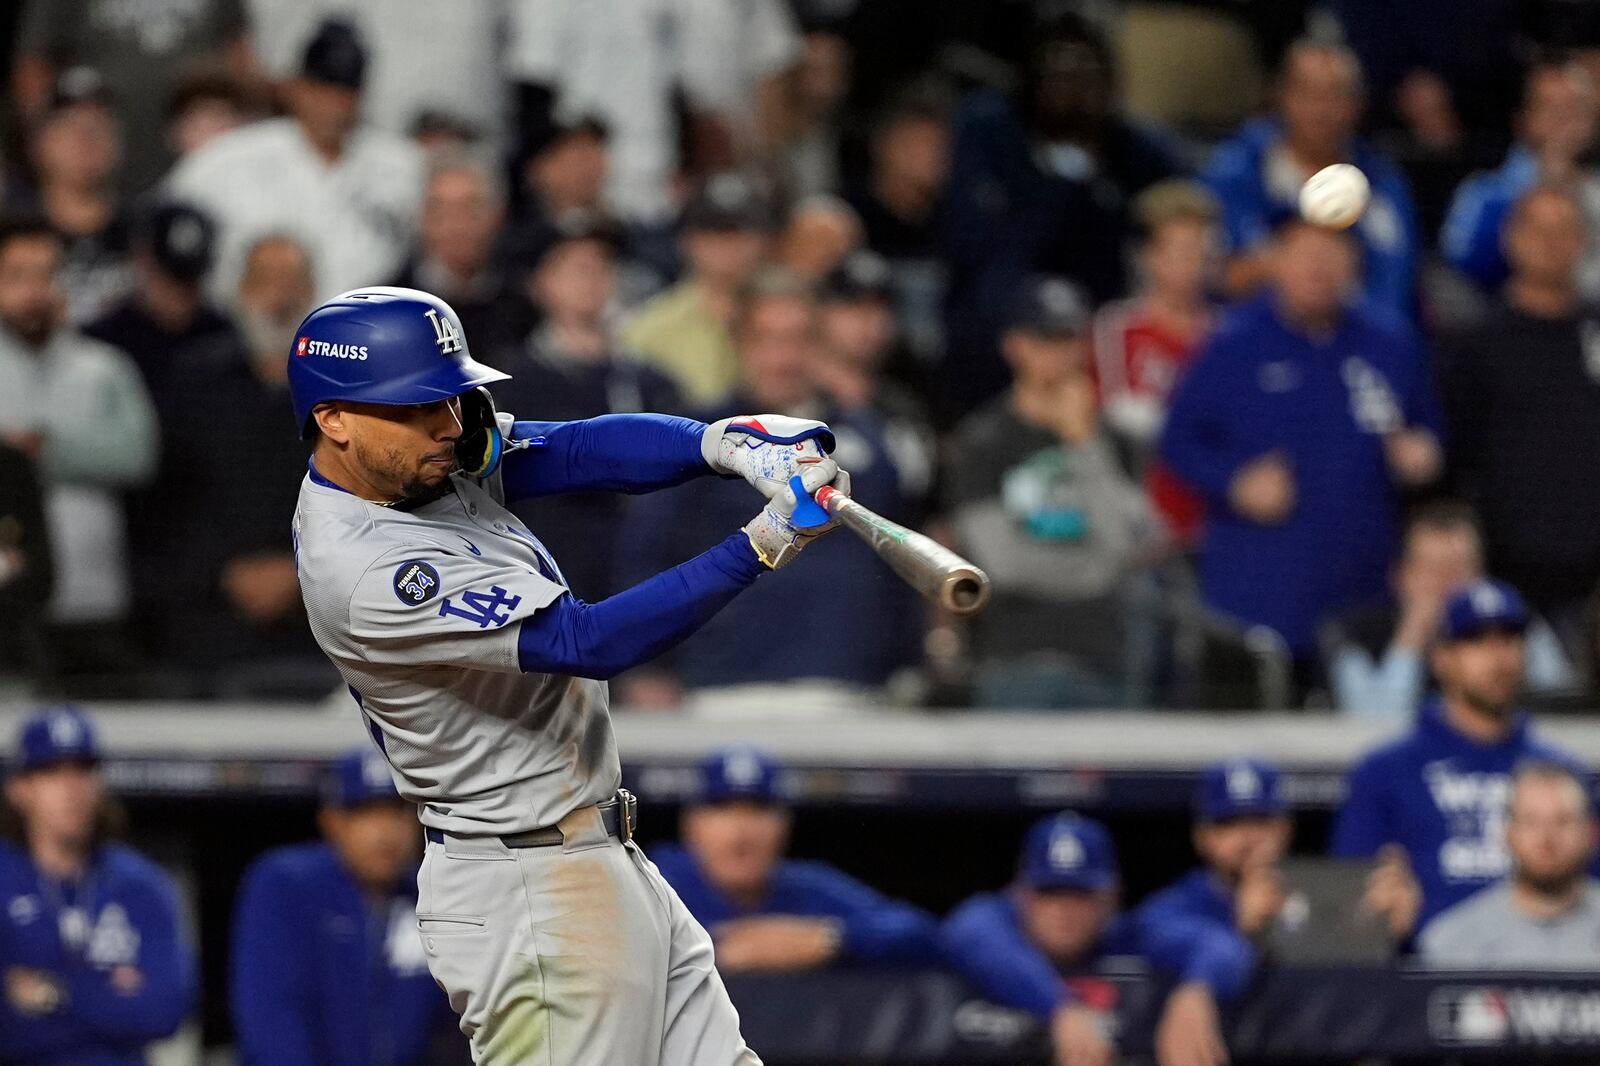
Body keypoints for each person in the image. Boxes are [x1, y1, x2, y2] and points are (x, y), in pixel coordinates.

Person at [289, 282, 854, 1064]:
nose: (450, 425)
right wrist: (759, 542)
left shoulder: (415, 461)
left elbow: (572, 449)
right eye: (418, 406)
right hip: (526, 889)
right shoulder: (363, 566)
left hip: (599, 857)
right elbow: (585, 640)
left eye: (450, 399)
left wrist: (720, 444)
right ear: (334, 419)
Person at [616, 269, 921, 708]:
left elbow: (897, 557)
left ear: (820, 348)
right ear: (740, 345)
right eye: (766, 340)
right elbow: (646, 556)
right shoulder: (694, 442)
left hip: (849, 688)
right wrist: (645, 666)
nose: (784, 357)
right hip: (720, 687)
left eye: (798, 340)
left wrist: (908, 665)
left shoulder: (874, 443)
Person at [1159, 219, 1441, 680]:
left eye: (1334, 252)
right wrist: (1234, 481)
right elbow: (1177, 440)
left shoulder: (1388, 343)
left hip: (1363, 590)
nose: (1319, 265)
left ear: (1355, 262)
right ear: (1276, 260)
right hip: (1257, 590)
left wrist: (1422, 452)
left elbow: (1427, 427)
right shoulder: (1234, 343)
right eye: (1305, 252)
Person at [941, 12, 1185, 417]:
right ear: (1032, 77)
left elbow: (1184, 199)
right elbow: (967, 240)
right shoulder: (991, 131)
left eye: (1085, 73)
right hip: (1003, 309)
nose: (1071, 88)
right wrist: (1058, 189)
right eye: (1058, 71)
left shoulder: (1133, 150)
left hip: (1101, 305)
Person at [1332, 579, 1593, 929]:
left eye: (1510, 639)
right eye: (1477, 641)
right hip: (1422, 971)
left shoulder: (1563, 774)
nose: (1498, 657)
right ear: (1441, 658)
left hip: (1546, 969)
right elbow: (1347, 902)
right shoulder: (1384, 771)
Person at [946, 277, 1156, 708]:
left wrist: (1083, 445)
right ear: (1014, 345)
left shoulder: (1114, 440)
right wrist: (1096, 573)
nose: (1059, 355)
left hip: (1107, 658)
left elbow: (1128, 544)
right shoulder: (982, 442)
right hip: (1016, 659)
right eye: (1045, 339)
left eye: (1068, 340)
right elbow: (1001, 564)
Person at [143, 234, 327, 694]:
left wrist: (299, 571)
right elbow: (167, 501)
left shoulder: (344, 396)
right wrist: (224, 571)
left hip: (318, 623)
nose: (279, 297)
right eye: (265, 281)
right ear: (241, 291)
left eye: (293, 282)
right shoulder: (193, 380)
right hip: (208, 621)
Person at [943, 812, 1249, 1066]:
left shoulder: (1125, 934)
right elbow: (972, 934)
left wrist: (1198, 990)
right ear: (1020, 894)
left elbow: (1221, 944)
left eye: (1080, 893)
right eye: (1049, 892)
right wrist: (1060, 1009)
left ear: (1111, 898)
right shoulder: (988, 923)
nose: (1063, 909)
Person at [491, 214, 683, 600]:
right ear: (540, 282)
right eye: (576, 268)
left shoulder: (649, 382)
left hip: (636, 577)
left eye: (601, 267)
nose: (591, 279)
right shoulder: (507, 384)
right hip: (544, 582)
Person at [0, 218, 158, 682]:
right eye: (16, 276)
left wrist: (44, 451)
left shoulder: (104, 367)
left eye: (45, 274)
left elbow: (139, 453)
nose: (33, 291)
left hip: (92, 598)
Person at [165, 19, 426, 301]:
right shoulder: (228, 158)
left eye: (346, 93)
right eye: (322, 89)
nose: (335, 106)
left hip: (362, 332)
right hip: (251, 334)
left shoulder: (402, 164)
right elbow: (163, 229)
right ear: (296, 88)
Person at [1441, 183, 1600, 638]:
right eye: (1538, 230)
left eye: (1565, 230)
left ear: (1584, 242)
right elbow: (1458, 453)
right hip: (1509, 568)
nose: (1551, 243)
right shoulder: (1475, 343)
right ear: (1511, 238)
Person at [231, 746, 454, 1065]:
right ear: (332, 822)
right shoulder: (287, 885)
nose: (385, 831)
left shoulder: (433, 895)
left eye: (397, 811)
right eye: (366, 812)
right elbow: (272, 1024)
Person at [0, 705, 195, 1062]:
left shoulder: (141, 884)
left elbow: (164, 1012)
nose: (71, 787)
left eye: (84, 769)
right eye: (52, 771)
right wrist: (109, 996)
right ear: (19, 789)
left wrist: (56, 992)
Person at [651, 747, 944, 971]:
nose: (741, 832)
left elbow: (919, 933)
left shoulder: (805, 886)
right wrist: (714, 949)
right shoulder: (654, 884)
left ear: (784, 825)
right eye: (723, 810)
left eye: (758, 811)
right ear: (690, 825)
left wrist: (831, 938)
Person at [1204, 40, 1420, 318]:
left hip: (1360, 348)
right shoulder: (1235, 173)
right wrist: (1280, 262)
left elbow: (1398, 288)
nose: (1321, 110)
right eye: (1308, 93)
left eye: (1335, 95)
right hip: (1257, 344)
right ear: (1280, 95)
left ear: (1357, 104)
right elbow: (1209, 279)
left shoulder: (1383, 183)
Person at [1324, 500, 1575, 718]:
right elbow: (1369, 725)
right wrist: (1410, 639)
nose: (1446, 583)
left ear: (1481, 574)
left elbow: (1559, 706)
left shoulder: (1514, 621)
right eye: (1432, 569)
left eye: (1458, 568)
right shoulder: (1357, 633)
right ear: (1402, 576)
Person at [1091, 179, 1221, 546]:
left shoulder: (1228, 335)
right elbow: (1116, 417)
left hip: (1213, 519)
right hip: (1140, 521)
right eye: (1180, 252)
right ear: (1149, 256)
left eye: (1202, 251)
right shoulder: (1117, 328)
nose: (1194, 265)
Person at [12, 0, 251, 189]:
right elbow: (34, 66)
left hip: (197, 149)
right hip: (104, 146)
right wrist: (43, 150)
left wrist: (243, 130)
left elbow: (238, 52)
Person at [1440, 59, 1600, 299]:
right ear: (1523, 120)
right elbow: (1462, 266)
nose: (1565, 122)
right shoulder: (1486, 193)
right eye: (1551, 109)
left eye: (1576, 110)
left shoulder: (1596, 190)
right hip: (1508, 322)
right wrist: (1543, 183)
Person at [1420, 762, 1600, 967]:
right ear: (1507, 834)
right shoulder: (1451, 944)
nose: (1547, 839)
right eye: (1530, 821)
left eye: (1563, 821)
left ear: (1591, 833)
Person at [621, 173, 773, 405]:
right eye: (714, 234)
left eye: (740, 234)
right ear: (687, 241)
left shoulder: (787, 319)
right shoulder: (647, 329)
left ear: (762, 241)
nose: (728, 247)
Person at [390, 153, 531, 367]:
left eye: (471, 208)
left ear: (499, 215)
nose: (456, 225)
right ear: (420, 219)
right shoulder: (387, 308)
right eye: (440, 210)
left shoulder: (526, 304)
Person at [83, 202, 232, 403]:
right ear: (142, 259)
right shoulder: (104, 340)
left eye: (191, 281)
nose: (180, 295)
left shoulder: (225, 335)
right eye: (171, 279)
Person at [21, 68, 132, 325]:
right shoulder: (15, 231)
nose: (86, 139)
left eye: (99, 126)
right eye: (69, 127)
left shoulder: (147, 227)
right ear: (37, 144)